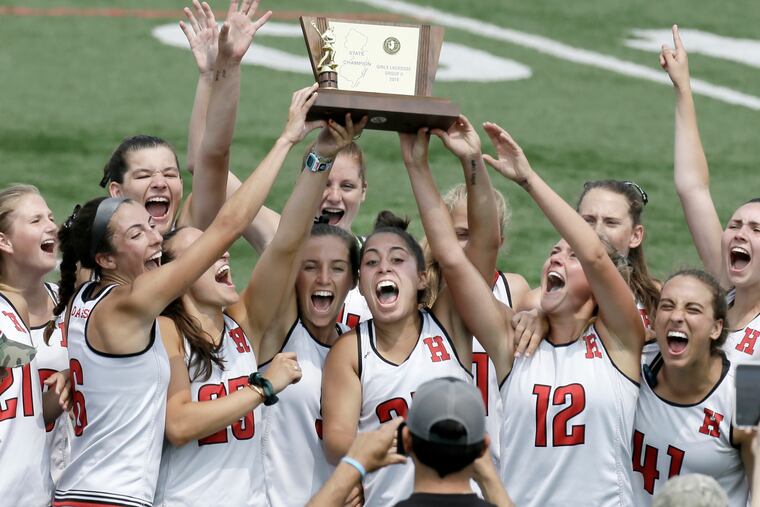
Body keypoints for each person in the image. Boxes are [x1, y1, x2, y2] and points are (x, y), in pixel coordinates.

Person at [50, 77, 310, 507]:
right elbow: (226, 227)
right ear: (107, 260)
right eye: (137, 234)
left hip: (83, 490)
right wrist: (285, 140)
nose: (154, 238)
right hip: (107, 499)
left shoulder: (86, 296)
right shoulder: (132, 303)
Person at [415, 122, 645, 506]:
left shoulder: (619, 342)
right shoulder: (514, 341)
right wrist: (423, 164)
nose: (558, 255)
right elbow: (454, 263)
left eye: (570, 255)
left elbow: (595, 255)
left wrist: (527, 179)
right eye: (554, 251)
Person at [153, 25, 335, 505]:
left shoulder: (242, 328)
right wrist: (261, 386)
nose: (224, 255)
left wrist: (321, 154)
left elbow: (287, 244)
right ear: (177, 277)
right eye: (205, 254)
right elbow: (179, 424)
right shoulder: (165, 333)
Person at [322, 116, 500, 506]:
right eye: (371, 262)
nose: (384, 267)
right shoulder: (350, 350)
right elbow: (336, 439)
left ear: (421, 278)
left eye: (397, 259)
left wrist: (465, 162)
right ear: (358, 284)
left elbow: (483, 241)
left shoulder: (450, 324)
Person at [663, 25, 760, 370]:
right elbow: (693, 188)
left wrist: (745, 424)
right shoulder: (725, 290)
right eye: (735, 224)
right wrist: (683, 88)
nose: (740, 233)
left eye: (756, 229)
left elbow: (748, 415)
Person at [423, 183, 529, 463]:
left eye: (479, 235)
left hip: (498, 458)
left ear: (498, 242)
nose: (470, 245)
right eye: (460, 235)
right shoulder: (420, 292)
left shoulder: (514, 290)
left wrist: (537, 318)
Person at [631, 269, 751, 506]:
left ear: (716, 328)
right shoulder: (633, 362)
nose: (676, 315)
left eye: (692, 309)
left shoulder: (746, 393)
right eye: (667, 306)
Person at [0, 184, 70, 506]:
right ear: (4, 241)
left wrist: (78, 375)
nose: (51, 226)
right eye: (36, 220)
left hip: (56, 485)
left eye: (51, 217)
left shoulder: (72, 305)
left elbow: (35, 409)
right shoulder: (5, 313)